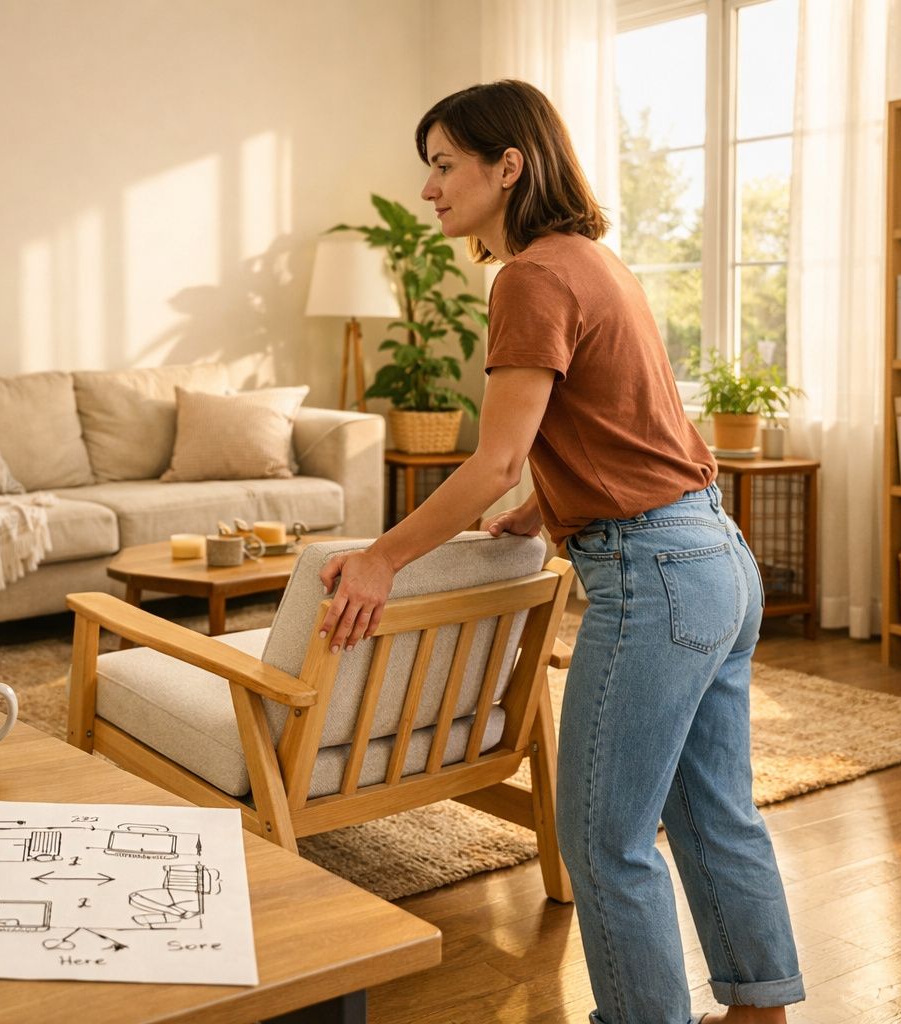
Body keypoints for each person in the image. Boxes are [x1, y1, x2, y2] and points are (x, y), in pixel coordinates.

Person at [317, 80, 803, 1024]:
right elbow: (623, 425)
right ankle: (761, 1012)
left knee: (602, 838)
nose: (429, 191)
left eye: (444, 166)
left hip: (654, 578)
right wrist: (547, 505)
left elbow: (493, 455)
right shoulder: (594, 261)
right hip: (715, 554)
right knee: (713, 814)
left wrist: (381, 558)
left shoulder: (530, 276)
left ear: (510, 166)